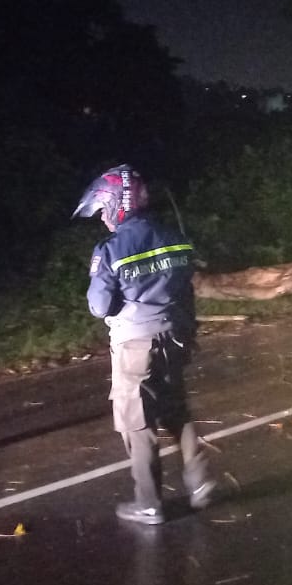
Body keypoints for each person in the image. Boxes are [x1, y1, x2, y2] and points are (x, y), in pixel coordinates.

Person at [74, 164, 220, 525]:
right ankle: (200, 482)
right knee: (174, 407)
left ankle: (149, 502)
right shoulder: (175, 236)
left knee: (136, 422)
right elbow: (186, 284)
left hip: (136, 343)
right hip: (178, 336)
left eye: (103, 212)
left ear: (114, 206)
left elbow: (99, 306)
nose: (103, 220)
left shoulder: (110, 248)